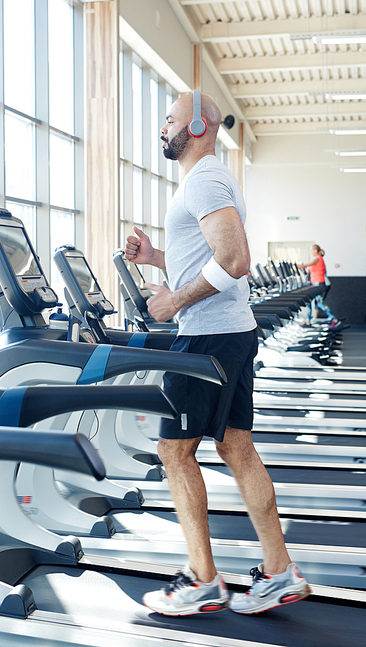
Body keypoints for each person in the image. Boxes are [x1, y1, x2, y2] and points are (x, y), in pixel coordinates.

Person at [125, 92, 311, 617]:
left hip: (208, 337)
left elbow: (234, 259)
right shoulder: (207, 180)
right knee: (236, 448)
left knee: (174, 453)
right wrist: (157, 258)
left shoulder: (203, 179)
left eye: (171, 119)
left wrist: (174, 301)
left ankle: (204, 580)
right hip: (229, 332)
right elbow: (206, 255)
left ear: (200, 125)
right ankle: (279, 572)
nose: (163, 127)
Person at [298, 245, 338, 326]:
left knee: (319, 303)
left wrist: (292, 265)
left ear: (316, 251)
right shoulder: (318, 259)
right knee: (311, 301)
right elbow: (308, 269)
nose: (311, 252)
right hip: (315, 283)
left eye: (312, 251)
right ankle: (308, 321)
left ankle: (333, 318)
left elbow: (304, 265)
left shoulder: (317, 259)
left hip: (318, 284)